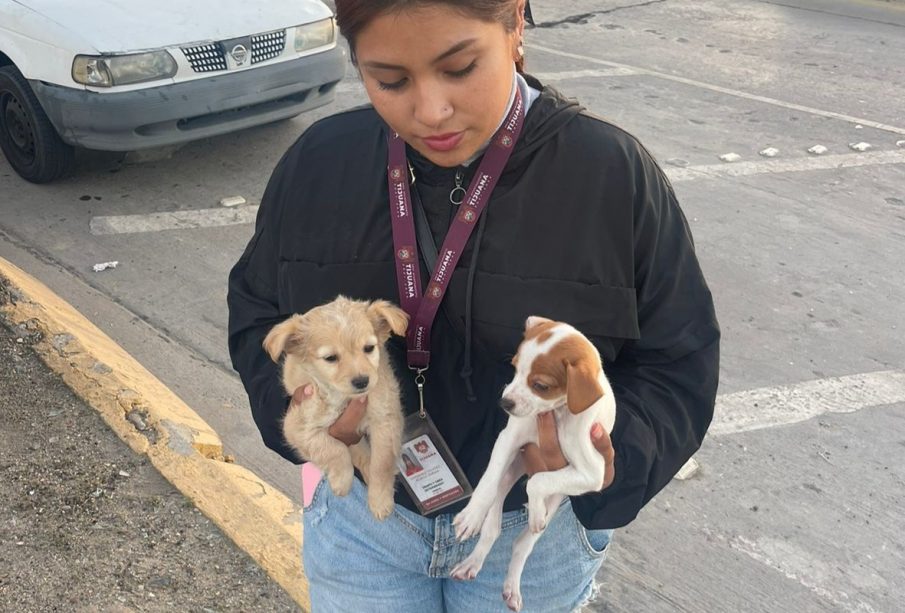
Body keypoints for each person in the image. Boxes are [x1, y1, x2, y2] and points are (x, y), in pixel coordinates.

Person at [227, 0, 720, 610]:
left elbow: (678, 363)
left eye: (459, 68)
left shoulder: (610, 175)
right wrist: (300, 412)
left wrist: (603, 458)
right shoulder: (318, 165)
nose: (431, 111)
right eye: (391, 81)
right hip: (364, 516)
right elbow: (258, 312)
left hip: (533, 533)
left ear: (514, 24)